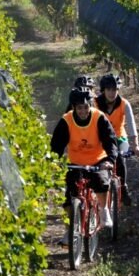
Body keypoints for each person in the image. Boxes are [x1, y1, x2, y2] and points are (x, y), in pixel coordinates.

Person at [51, 87, 119, 239]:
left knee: (101, 181)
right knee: (69, 196)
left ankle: (103, 210)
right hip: (76, 162)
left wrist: (109, 160)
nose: (83, 111)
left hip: (98, 160)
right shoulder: (66, 120)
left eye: (86, 107)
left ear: (90, 105)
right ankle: (70, 229)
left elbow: (110, 141)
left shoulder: (99, 118)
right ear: (74, 107)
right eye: (79, 108)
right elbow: (56, 145)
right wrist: (53, 160)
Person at [95, 73, 139, 205]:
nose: (112, 93)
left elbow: (131, 125)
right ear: (103, 90)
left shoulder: (124, 104)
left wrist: (135, 145)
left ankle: (123, 187)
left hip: (119, 137)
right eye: (109, 89)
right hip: (101, 138)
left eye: (115, 89)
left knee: (121, 158)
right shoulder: (95, 104)